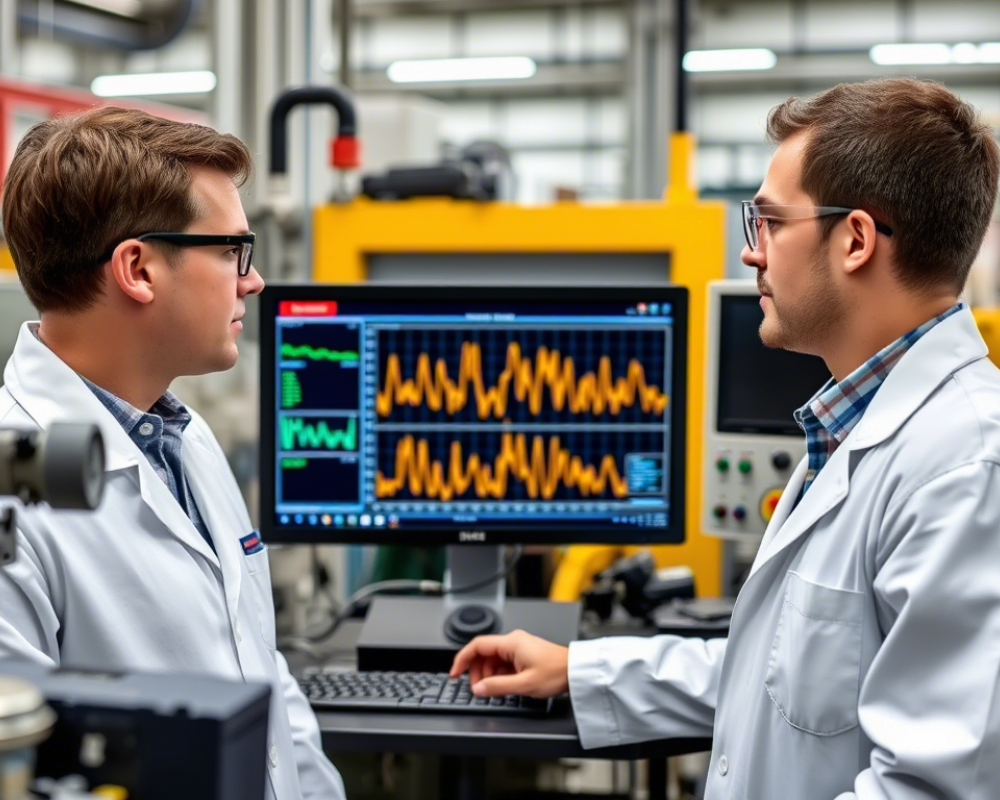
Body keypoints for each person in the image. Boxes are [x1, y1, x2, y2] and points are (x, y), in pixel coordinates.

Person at [452, 77, 1000, 799]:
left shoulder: (965, 467)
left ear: (855, 240)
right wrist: (580, 670)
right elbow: (778, 679)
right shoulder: (856, 426)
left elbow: (931, 787)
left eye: (769, 222)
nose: (752, 253)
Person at [0, 107, 346, 800]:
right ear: (138, 269)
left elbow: (260, 668)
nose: (254, 281)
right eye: (233, 251)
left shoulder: (183, 436)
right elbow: (22, 758)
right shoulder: (19, 491)